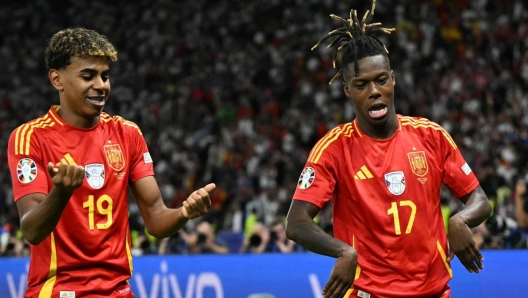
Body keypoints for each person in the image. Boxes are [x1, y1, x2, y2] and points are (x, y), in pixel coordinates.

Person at [285, 2, 492, 298]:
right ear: (347, 90)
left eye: (381, 80)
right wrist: (343, 252)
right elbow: (296, 223)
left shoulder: (430, 136)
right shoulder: (334, 148)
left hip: (433, 292)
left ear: (392, 79)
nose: (374, 92)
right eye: (361, 85)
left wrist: (461, 219)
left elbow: (479, 199)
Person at [7, 27, 216, 297]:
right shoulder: (30, 137)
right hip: (60, 290)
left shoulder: (127, 133)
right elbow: (31, 230)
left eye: (105, 76)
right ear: (57, 79)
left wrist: (184, 214)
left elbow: (156, 219)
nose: (101, 85)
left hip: (118, 291)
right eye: (88, 76)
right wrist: (61, 191)